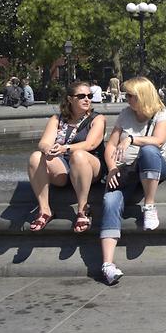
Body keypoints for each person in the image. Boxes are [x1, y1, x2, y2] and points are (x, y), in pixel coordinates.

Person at [100, 76, 166, 285]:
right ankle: (107, 265)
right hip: (126, 171)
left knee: (148, 150)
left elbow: (158, 140)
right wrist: (112, 168)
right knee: (109, 201)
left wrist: (131, 139)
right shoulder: (125, 114)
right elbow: (110, 146)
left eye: (130, 95)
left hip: (157, 166)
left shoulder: (162, 114)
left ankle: (149, 206)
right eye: (126, 95)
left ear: (143, 96)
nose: (126, 99)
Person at [26, 81, 106, 233]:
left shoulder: (97, 119)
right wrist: (49, 149)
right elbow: (43, 143)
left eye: (89, 96)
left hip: (90, 166)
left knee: (79, 155)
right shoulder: (57, 119)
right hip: (63, 169)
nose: (87, 99)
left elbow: (90, 145)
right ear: (70, 99)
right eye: (81, 96)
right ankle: (44, 210)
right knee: (36, 157)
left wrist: (65, 148)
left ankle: (83, 210)